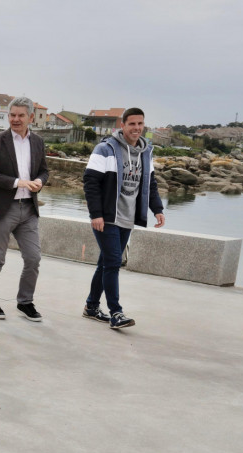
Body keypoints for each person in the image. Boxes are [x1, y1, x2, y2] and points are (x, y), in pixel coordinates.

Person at [83, 107, 165, 329]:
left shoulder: (146, 152)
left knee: (105, 263)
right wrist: (96, 214)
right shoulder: (105, 149)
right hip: (108, 216)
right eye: (132, 124)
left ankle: (91, 306)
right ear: (123, 125)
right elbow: (90, 183)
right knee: (113, 262)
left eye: (140, 124)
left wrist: (157, 209)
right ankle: (116, 312)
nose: (136, 128)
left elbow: (151, 184)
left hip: (128, 217)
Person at [0, 97, 50, 322]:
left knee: (33, 258)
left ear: (30, 118)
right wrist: (17, 182)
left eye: (21, 116)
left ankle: (25, 302)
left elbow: (44, 170)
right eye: (12, 115)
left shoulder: (38, 142)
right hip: (3, 208)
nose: (16, 119)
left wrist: (39, 180)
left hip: (29, 209)